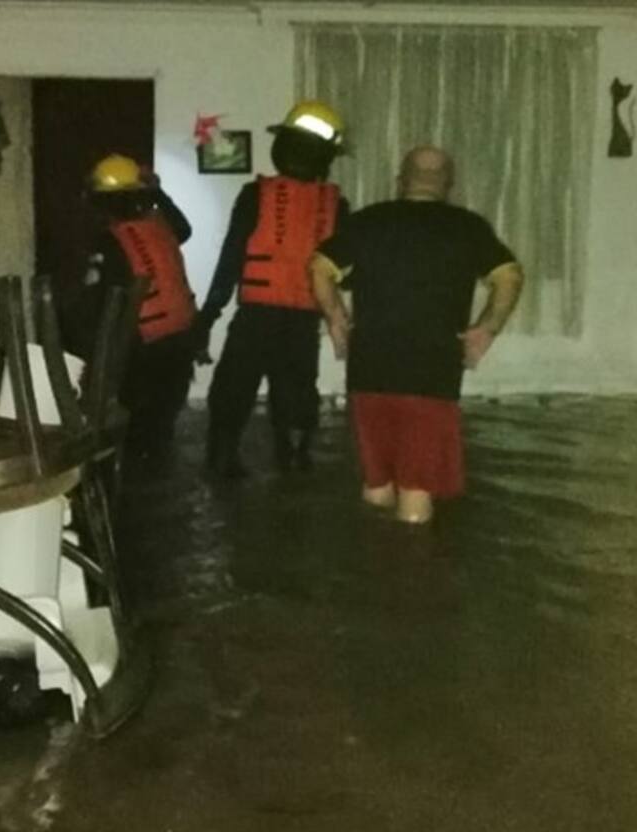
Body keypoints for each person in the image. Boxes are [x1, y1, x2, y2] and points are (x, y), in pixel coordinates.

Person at [308, 145, 525, 524]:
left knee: (376, 486)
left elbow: (319, 267)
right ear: (448, 185)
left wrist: (336, 317)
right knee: (416, 493)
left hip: (369, 369)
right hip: (431, 374)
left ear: (401, 181)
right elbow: (510, 276)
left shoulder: (368, 221)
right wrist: (486, 329)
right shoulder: (467, 226)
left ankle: (366, 572)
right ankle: (411, 577)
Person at [194, 101, 350, 478]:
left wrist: (207, 317)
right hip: (302, 320)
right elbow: (346, 271)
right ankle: (294, 461)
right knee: (297, 392)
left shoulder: (254, 195)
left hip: (256, 316)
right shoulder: (336, 205)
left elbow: (231, 261)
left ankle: (222, 459)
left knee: (234, 386)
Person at [67, 153, 198, 460]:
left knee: (138, 424)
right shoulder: (161, 227)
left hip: (142, 343)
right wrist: (157, 192)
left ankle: (140, 484)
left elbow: (100, 302)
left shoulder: (109, 241)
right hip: (179, 335)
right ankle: (158, 466)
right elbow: (185, 229)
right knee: (162, 421)